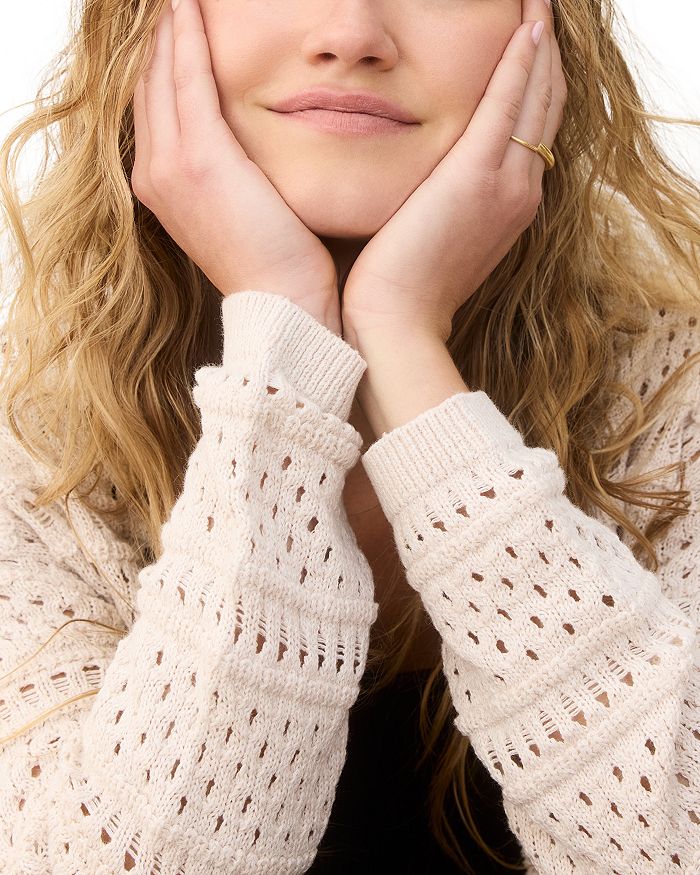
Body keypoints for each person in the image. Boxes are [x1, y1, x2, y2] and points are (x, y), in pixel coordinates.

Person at [0, 0, 698, 871]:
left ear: (555, 30)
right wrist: (284, 337)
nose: (351, 35)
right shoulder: (31, 450)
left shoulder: (678, 396)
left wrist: (404, 339)